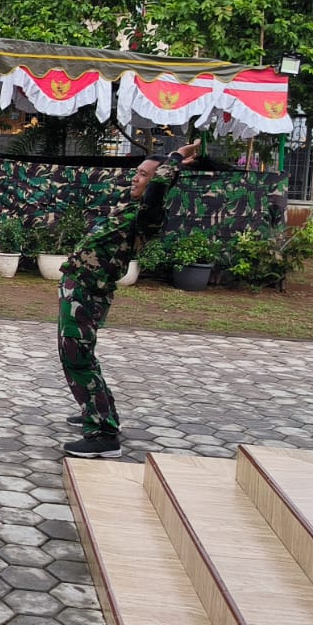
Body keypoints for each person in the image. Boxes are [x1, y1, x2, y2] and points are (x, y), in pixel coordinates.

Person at [59, 141, 199, 459]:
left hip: (88, 292)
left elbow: (159, 187)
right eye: (136, 173)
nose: (136, 179)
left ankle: (103, 434)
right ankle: (95, 412)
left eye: (144, 175)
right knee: (76, 357)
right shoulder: (131, 207)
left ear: (159, 179)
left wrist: (175, 158)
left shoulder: (150, 213)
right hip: (78, 288)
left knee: (78, 358)